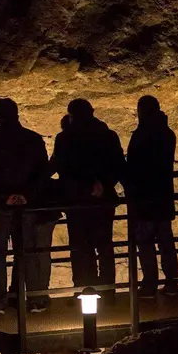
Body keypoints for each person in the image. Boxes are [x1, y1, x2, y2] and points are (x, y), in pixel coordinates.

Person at [0, 98, 57, 314]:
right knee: (28, 252)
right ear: (17, 114)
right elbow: (42, 173)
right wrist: (26, 196)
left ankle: (0, 300)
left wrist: (4, 197)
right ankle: (31, 299)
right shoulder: (32, 139)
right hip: (27, 206)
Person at [51, 99, 124, 301]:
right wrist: (102, 183)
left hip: (77, 201)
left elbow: (63, 167)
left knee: (81, 247)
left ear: (71, 115)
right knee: (104, 245)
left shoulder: (65, 138)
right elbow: (118, 164)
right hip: (103, 200)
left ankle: (84, 289)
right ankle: (108, 291)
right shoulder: (108, 136)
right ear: (92, 112)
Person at [125, 95, 178, 298]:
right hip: (163, 196)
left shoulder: (142, 135)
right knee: (165, 240)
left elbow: (135, 166)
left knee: (145, 242)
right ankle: (172, 282)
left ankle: (150, 283)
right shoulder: (167, 134)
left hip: (144, 197)